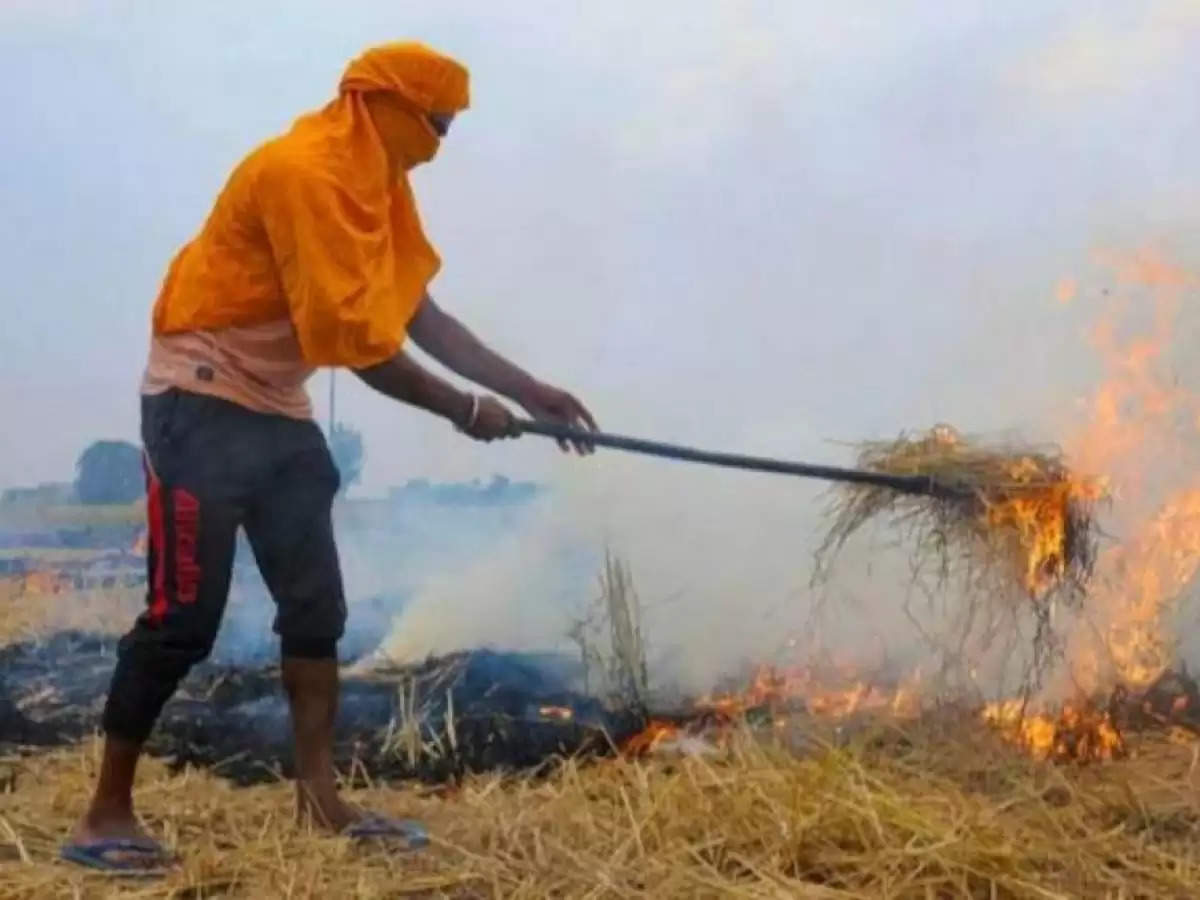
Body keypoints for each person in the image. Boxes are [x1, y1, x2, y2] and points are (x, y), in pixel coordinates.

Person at [63, 41, 597, 872]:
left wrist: (531, 392)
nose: (441, 143)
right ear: (384, 105)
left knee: (317, 613)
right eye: (437, 123)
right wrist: (463, 409)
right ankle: (104, 815)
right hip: (198, 395)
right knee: (182, 621)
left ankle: (321, 802)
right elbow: (354, 343)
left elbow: (416, 312)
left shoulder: (378, 187)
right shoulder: (305, 172)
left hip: (276, 405)